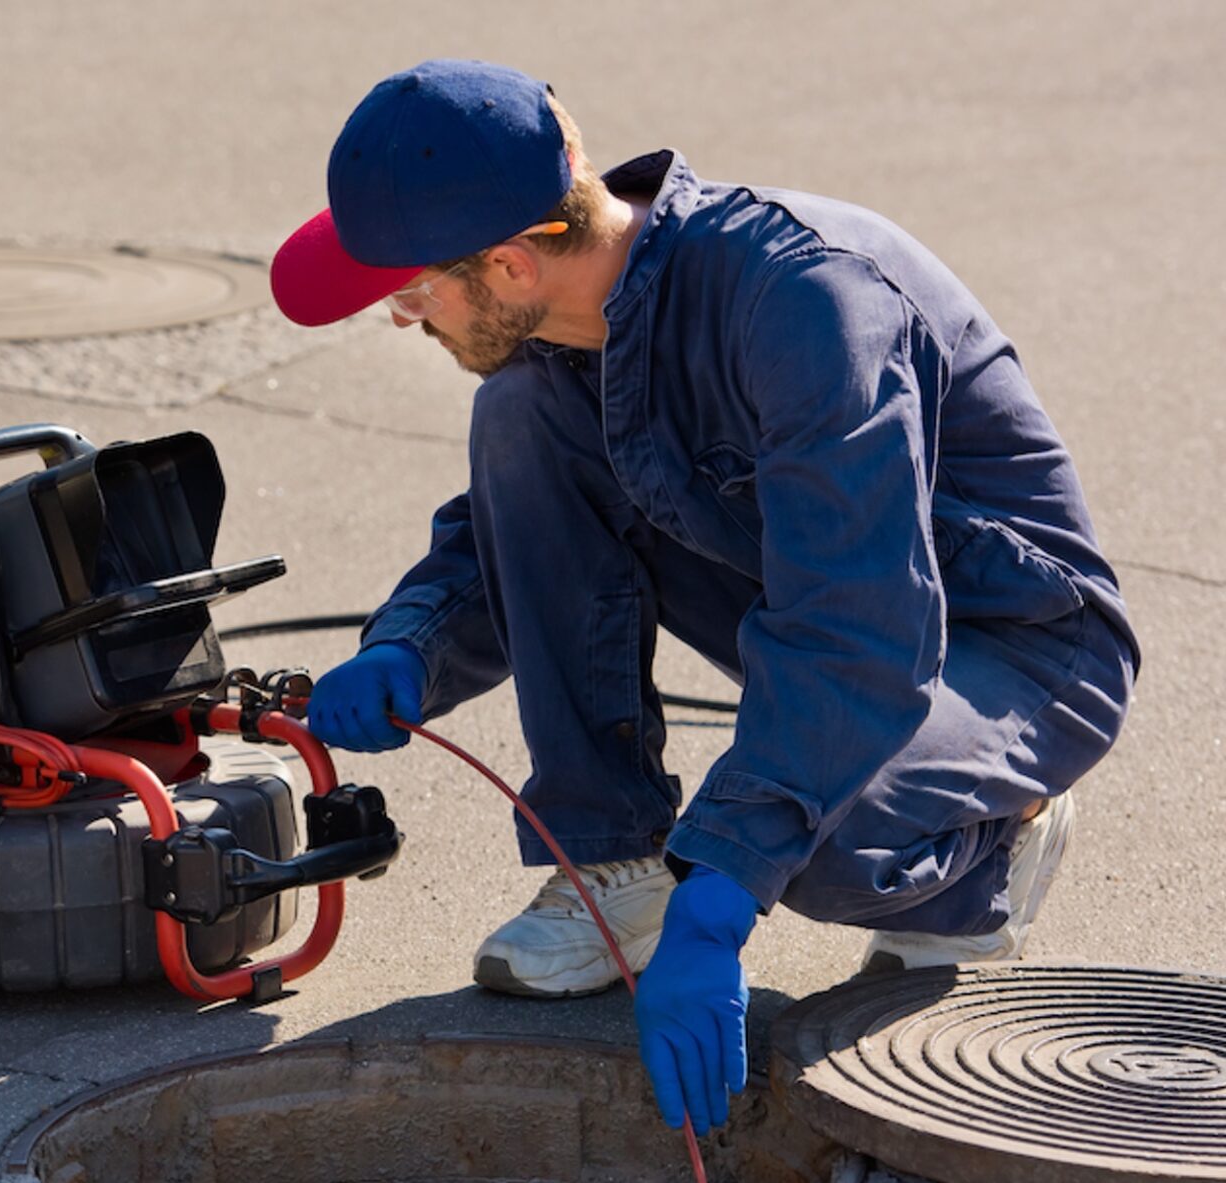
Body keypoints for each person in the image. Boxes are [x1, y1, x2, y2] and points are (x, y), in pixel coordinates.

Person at [270, 59, 1139, 1138]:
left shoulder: (808, 306)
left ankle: (991, 848)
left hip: (1017, 647)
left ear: (507, 262)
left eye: (411, 292)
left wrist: (721, 898)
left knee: (805, 843)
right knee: (521, 420)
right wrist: (412, 646)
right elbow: (532, 520)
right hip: (820, 590)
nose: (401, 319)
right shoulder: (582, 316)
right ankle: (614, 864)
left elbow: (858, 628)